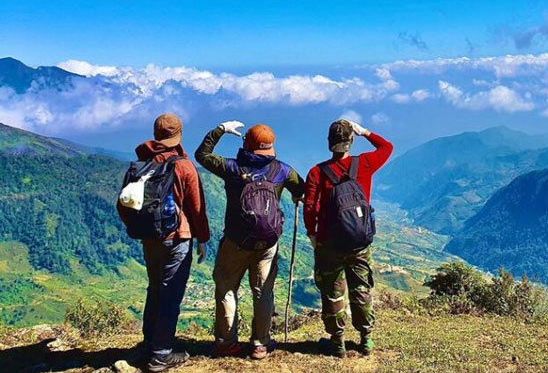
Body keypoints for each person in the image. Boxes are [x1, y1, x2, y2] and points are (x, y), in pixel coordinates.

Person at [194, 120, 304, 360]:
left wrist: (220, 130)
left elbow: (202, 155)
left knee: (226, 288)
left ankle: (226, 344)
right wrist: (295, 196)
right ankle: (260, 344)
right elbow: (301, 189)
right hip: (267, 244)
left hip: (236, 241)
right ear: (271, 147)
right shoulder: (282, 171)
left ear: (247, 144)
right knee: (263, 291)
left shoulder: (232, 167)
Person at [117, 113, 210, 373]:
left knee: (155, 289)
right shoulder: (183, 166)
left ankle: (150, 343)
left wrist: (138, 227)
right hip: (176, 238)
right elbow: (197, 208)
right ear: (178, 135)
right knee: (170, 295)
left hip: (150, 240)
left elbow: (123, 204)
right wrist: (203, 238)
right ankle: (161, 355)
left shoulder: (141, 164)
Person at [304, 119, 393, 357]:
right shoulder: (363, 164)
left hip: (328, 243)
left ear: (329, 143)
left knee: (333, 292)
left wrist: (313, 236)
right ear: (351, 141)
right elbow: (387, 148)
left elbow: (310, 208)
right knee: (361, 288)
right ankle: (366, 339)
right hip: (359, 241)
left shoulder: (316, 172)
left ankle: (338, 341)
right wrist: (365, 131)